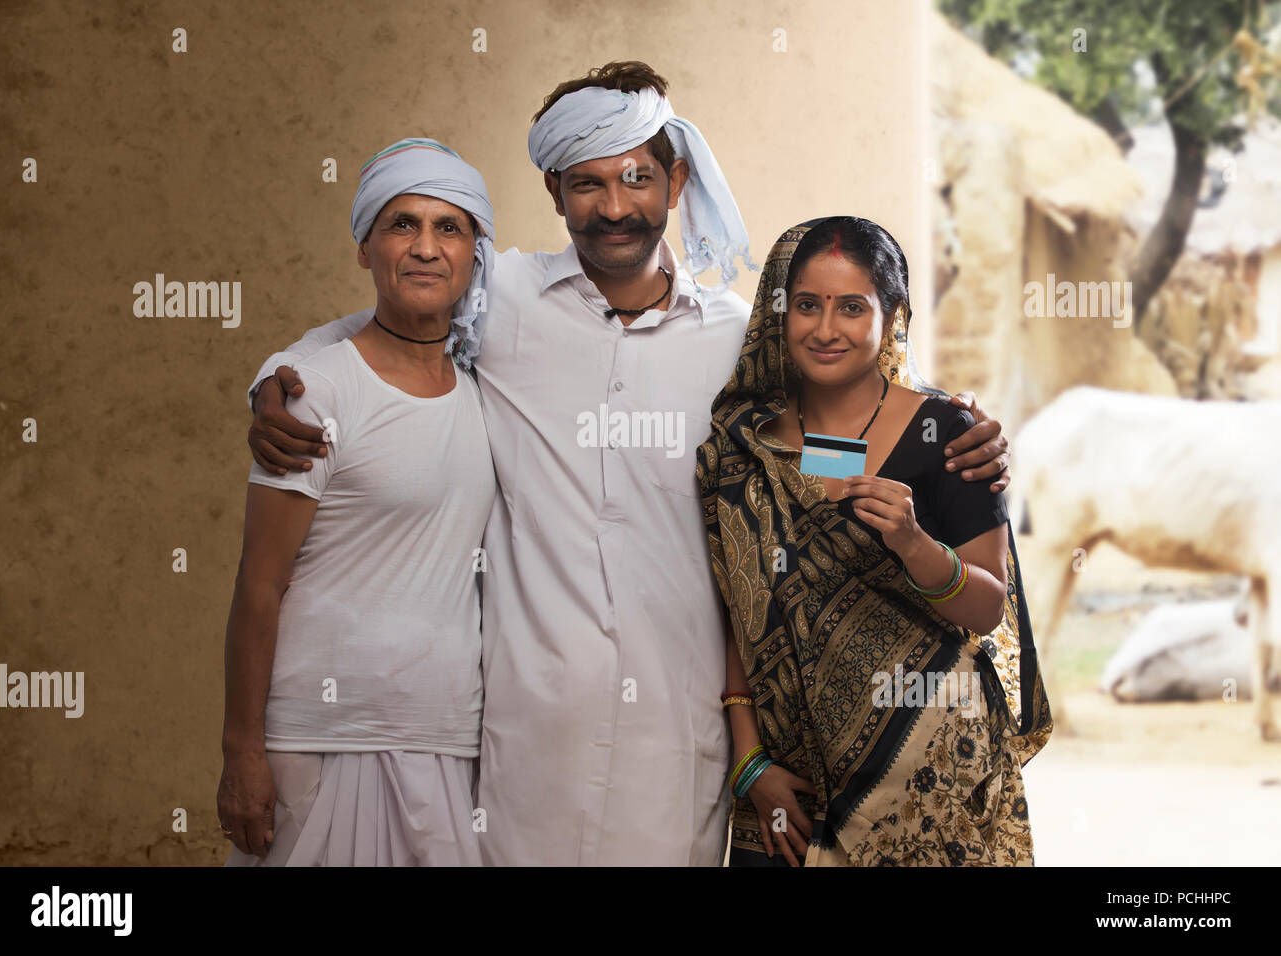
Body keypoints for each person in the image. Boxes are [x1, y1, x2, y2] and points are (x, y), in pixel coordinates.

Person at [245, 63, 1014, 866]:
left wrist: (947, 430)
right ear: (553, 190)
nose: (614, 206)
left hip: (678, 734)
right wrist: (278, 378)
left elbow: (829, 428)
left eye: (637, 178)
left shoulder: (731, 342)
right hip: (523, 733)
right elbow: (392, 318)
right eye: (588, 182)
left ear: (676, 182)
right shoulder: (501, 298)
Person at [697, 216, 1053, 867]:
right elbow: (736, 617)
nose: (826, 329)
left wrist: (915, 543)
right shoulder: (745, 450)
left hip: (928, 781)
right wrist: (749, 765)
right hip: (788, 793)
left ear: (891, 317)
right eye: (807, 305)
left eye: (852, 308)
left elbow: (986, 606)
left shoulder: (946, 432)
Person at [217, 138, 497, 866]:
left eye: (449, 228)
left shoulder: (484, 389)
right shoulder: (316, 393)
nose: (426, 248)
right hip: (320, 736)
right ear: (366, 247)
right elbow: (259, 583)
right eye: (402, 224)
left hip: (445, 736)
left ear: (475, 253)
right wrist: (242, 750)